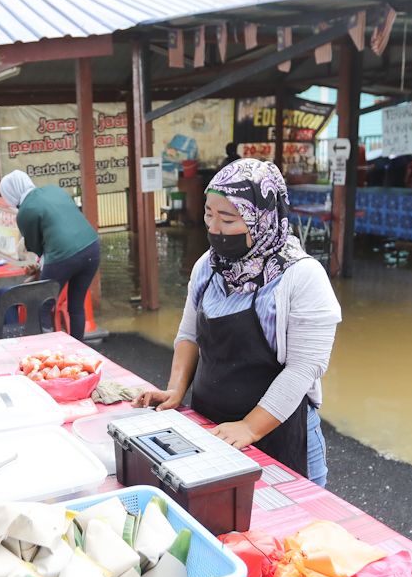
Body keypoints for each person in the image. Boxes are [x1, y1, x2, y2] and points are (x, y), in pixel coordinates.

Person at [133, 159, 341, 487]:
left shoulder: (301, 276)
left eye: (228, 219)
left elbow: (304, 368)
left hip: (279, 433)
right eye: (208, 215)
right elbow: (189, 335)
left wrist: (250, 427)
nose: (214, 229)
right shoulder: (209, 266)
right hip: (211, 428)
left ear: (262, 218)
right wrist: (175, 389)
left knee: (292, 531)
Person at [0, 170, 100, 341]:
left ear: (10, 193)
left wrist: (37, 265)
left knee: (42, 306)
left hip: (62, 257)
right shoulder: (54, 190)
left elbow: (35, 246)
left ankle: (49, 351)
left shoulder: (25, 211)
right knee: (76, 305)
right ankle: (78, 353)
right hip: (92, 247)